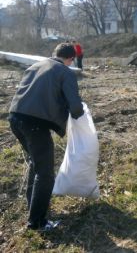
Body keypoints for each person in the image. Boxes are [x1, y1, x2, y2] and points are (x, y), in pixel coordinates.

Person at [8, 43, 84, 231]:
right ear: (71, 59)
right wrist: (80, 119)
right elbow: (75, 106)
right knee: (46, 173)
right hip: (35, 124)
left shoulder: (34, 66)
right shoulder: (65, 72)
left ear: (55, 54)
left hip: (15, 118)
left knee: (37, 164)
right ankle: (37, 222)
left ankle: (33, 208)